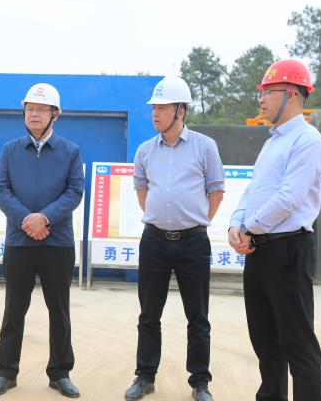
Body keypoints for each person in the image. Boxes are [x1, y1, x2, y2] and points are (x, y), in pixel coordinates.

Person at [228, 59, 321, 401]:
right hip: (259, 250)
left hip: (289, 250)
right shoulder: (272, 143)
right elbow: (253, 189)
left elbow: (289, 198)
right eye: (261, 92)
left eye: (268, 92)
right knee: (265, 342)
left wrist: (249, 227)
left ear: (292, 93)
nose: (261, 99)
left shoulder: (308, 141)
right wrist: (236, 223)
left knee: (297, 343)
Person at [124, 76, 224, 401]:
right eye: (154, 108)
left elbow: (216, 190)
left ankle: (200, 382)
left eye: (162, 108)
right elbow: (142, 189)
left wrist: (194, 223)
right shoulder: (144, 150)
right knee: (148, 314)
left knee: (198, 316)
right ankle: (145, 377)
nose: (155, 114)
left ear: (180, 110)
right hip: (154, 241)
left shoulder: (205, 146)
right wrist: (163, 219)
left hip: (193, 243)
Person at [0, 83, 85, 398]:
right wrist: (26, 220)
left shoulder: (70, 151)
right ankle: (6, 372)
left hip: (57, 243)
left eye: (41, 109)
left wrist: (45, 218)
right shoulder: (10, 150)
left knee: (60, 311)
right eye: (30, 109)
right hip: (19, 241)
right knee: (13, 310)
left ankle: (60, 373)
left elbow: (75, 191)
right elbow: (1, 190)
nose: (34, 114)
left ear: (55, 114)